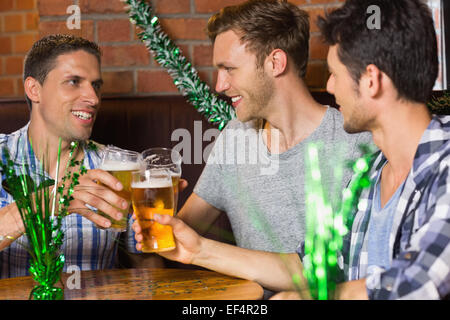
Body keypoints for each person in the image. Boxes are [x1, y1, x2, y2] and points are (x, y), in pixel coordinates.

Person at [133, 0, 450, 299]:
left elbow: (418, 281)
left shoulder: (440, 165)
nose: (328, 87)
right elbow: (310, 267)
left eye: (334, 74)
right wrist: (198, 250)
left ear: (371, 81)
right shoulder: (371, 178)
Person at [176, 0, 371, 257]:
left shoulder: (356, 143)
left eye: (229, 69)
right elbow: (179, 235)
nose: (220, 85)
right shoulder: (235, 136)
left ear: (275, 63)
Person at [0, 34, 167, 278]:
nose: (93, 99)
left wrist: (158, 218)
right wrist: (45, 202)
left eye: (96, 85)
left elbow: (145, 264)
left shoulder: (121, 166)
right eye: (73, 82)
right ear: (34, 90)